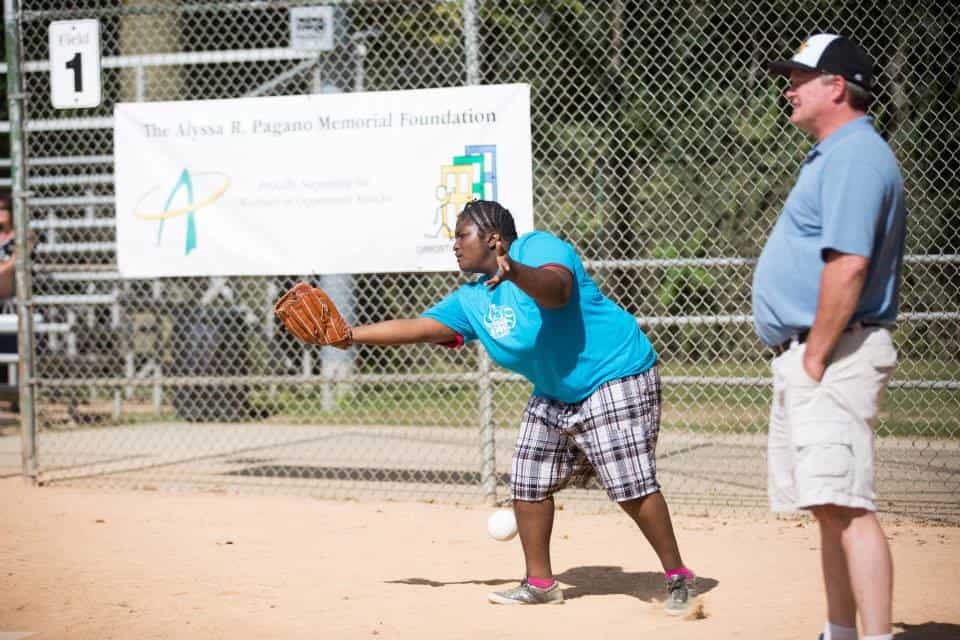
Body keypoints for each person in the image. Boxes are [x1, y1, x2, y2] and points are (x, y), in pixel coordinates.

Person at [342, 199, 695, 610]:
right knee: (528, 481)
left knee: (629, 484)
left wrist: (517, 273)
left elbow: (558, 292)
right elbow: (420, 327)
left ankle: (678, 577)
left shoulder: (538, 247)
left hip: (615, 371)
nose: (455, 245)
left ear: (493, 239)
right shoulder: (472, 299)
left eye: (462, 235)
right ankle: (540, 583)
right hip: (556, 389)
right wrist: (348, 335)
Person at [753, 34, 907, 640]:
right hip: (819, 352)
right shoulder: (834, 155)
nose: (788, 89)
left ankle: (873, 635)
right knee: (828, 505)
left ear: (836, 86)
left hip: (834, 352)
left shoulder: (855, 156)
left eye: (799, 78)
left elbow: (849, 265)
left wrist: (814, 356)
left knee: (849, 506)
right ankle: (839, 631)